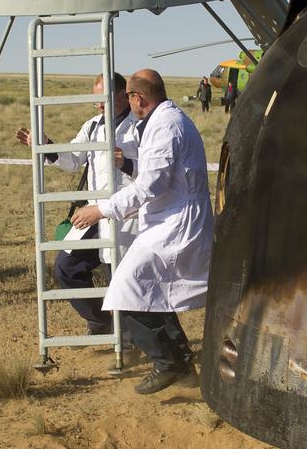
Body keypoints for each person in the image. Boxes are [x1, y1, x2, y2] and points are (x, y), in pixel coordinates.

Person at [70, 69, 213, 394]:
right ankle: (182, 366)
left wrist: (100, 209)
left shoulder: (165, 126)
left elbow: (151, 184)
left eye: (131, 98)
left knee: (126, 288)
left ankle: (169, 363)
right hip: (168, 220)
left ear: (137, 97)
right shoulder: (168, 120)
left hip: (175, 224)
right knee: (150, 293)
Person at [14, 73, 140, 335]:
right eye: (95, 100)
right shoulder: (93, 126)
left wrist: (126, 163)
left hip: (128, 216)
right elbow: (71, 160)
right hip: (93, 214)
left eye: (102, 99)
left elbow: (157, 173)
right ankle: (101, 322)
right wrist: (45, 145)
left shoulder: (140, 127)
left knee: (121, 279)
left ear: (122, 95)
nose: (98, 105)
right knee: (66, 267)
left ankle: (132, 340)